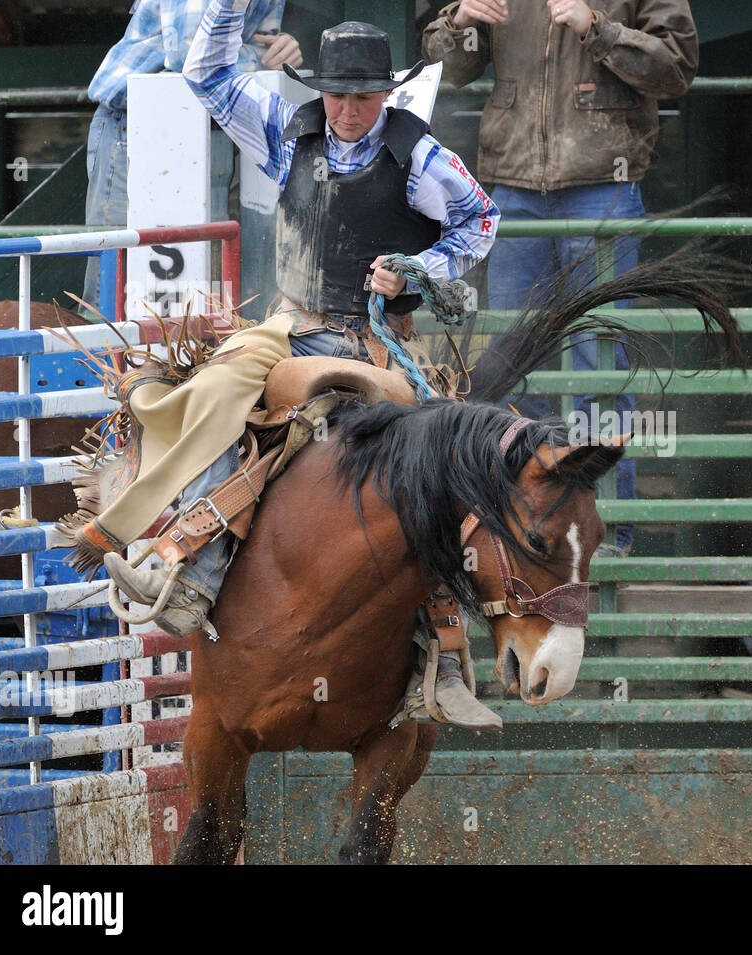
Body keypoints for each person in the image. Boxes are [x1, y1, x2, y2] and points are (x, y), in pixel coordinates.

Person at [90, 1, 502, 729]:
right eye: (337, 94)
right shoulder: (290, 128)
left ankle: (441, 654)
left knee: (427, 466)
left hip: (376, 346)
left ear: (386, 94)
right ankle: (187, 563)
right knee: (222, 383)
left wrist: (419, 269)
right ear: (321, 91)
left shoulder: (423, 156)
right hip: (291, 327)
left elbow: (482, 219)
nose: (347, 109)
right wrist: (228, 5)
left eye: (362, 96)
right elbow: (207, 71)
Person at [422, 0, 699, 556]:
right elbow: (443, 68)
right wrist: (459, 24)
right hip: (515, 189)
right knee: (508, 361)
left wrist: (598, 29)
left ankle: (605, 534)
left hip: (604, 186)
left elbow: (675, 68)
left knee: (600, 360)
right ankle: (513, 524)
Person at [83, 0, 303, 319]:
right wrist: (263, 61)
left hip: (206, 124)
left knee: (198, 274)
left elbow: (253, 47)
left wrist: (284, 49)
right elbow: (190, 54)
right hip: (132, 123)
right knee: (118, 277)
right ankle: (99, 366)